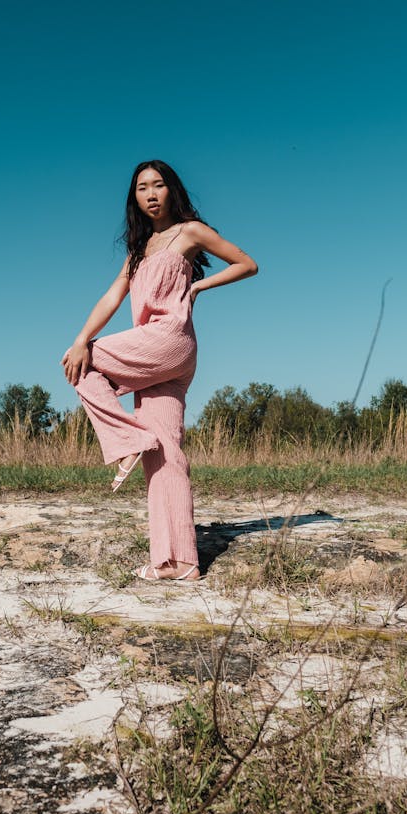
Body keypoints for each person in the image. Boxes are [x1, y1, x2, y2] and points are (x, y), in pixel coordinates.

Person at [61, 160, 257, 582]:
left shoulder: (190, 232)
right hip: (154, 354)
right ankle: (177, 562)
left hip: (169, 339)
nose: (151, 194)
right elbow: (112, 299)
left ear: (172, 190)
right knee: (166, 454)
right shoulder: (137, 252)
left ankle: (127, 438)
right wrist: (80, 336)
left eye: (159, 185)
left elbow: (247, 264)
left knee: (86, 363)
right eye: (142, 188)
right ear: (134, 198)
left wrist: (199, 285)